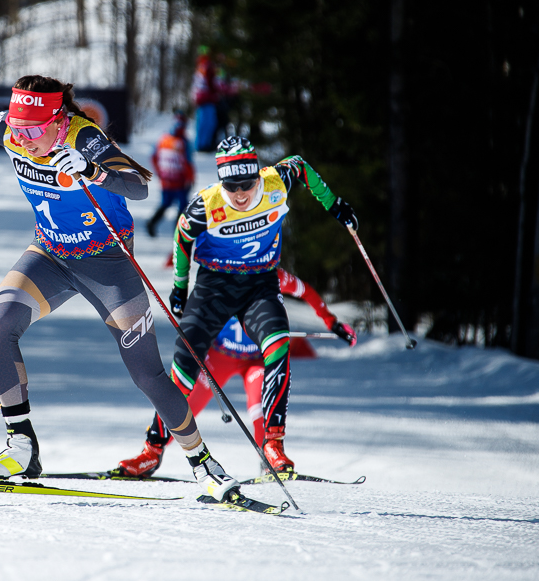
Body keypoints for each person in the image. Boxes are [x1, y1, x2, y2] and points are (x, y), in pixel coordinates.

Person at [0, 57, 242, 502]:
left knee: (147, 374)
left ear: (58, 121)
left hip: (108, 262)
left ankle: (203, 463)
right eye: (17, 128)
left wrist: (94, 171)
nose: (24, 139)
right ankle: (21, 445)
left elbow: (139, 185)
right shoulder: (15, 129)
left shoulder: (84, 137)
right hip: (50, 254)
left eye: (35, 130)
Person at [116, 136, 358, 477]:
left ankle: (273, 445)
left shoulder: (276, 182)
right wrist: (180, 288)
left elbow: (301, 165)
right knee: (183, 371)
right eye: (232, 186)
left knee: (278, 348)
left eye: (248, 183)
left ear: (259, 176)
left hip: (260, 284)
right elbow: (183, 239)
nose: (241, 193)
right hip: (215, 286)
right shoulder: (205, 205)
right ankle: (151, 450)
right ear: (221, 182)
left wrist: (334, 204)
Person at [117, 268, 357, 477]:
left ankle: (270, 460)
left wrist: (331, 321)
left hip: (255, 359)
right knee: (180, 401)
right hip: (221, 356)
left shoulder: (273, 275)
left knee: (261, 405)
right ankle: (151, 453)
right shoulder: (219, 274)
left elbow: (305, 291)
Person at [146, 110, 195, 237]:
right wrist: (191, 178)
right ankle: (178, 233)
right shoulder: (183, 142)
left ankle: (152, 223)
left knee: (167, 204)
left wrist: (160, 172)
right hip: (179, 181)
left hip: (167, 179)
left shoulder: (163, 138)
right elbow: (188, 162)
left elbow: (153, 156)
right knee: (181, 207)